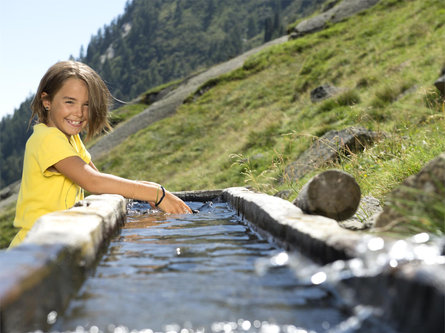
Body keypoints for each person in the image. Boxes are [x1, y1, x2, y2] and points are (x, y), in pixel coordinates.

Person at [9, 61, 191, 248]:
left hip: (56, 242)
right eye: (69, 102)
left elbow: (102, 181)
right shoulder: (47, 139)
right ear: (46, 101)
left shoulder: (70, 139)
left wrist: (148, 189)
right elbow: (93, 182)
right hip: (37, 248)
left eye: (87, 105)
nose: (79, 113)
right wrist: (156, 194)